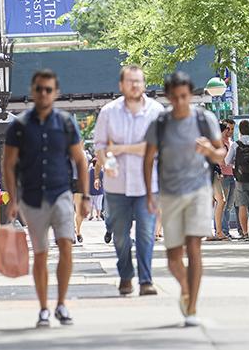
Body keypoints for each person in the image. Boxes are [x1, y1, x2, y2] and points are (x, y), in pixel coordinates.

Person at [2, 69, 91, 327]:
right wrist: (13, 198)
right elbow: (8, 164)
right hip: (32, 198)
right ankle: (43, 308)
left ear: (56, 93)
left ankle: (61, 304)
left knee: (65, 247)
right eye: (39, 89)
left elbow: (80, 161)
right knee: (40, 254)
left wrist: (85, 196)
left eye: (48, 89)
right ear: (32, 91)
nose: (43, 93)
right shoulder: (19, 126)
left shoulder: (65, 123)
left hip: (61, 194)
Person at [144, 71, 225, 326]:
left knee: (194, 247)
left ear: (190, 95)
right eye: (175, 97)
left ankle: (191, 309)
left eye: (184, 96)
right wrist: (149, 193)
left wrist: (210, 150)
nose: (180, 102)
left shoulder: (204, 118)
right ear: (168, 96)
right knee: (173, 256)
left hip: (198, 189)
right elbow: (148, 159)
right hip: (170, 192)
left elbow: (220, 153)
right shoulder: (160, 123)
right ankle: (185, 289)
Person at [93, 64, 164, 296]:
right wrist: (110, 164)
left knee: (145, 234)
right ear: (121, 85)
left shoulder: (156, 111)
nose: (135, 85)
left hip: (147, 185)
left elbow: (156, 148)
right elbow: (101, 146)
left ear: (144, 84)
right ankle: (125, 275)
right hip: (117, 185)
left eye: (139, 81)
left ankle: (146, 280)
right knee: (121, 236)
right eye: (130, 81)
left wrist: (121, 147)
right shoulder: (108, 112)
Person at [218, 119, 238, 239]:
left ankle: (226, 230)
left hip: (232, 175)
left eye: (232, 129)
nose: (229, 131)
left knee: (229, 205)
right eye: (228, 128)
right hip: (223, 175)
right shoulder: (219, 142)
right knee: (223, 204)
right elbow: (220, 160)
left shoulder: (231, 142)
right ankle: (221, 230)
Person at [88, 157, 105, 221]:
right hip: (99, 190)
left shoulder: (89, 171)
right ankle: (98, 216)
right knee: (99, 203)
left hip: (90, 190)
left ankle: (91, 215)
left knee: (91, 204)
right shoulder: (101, 172)